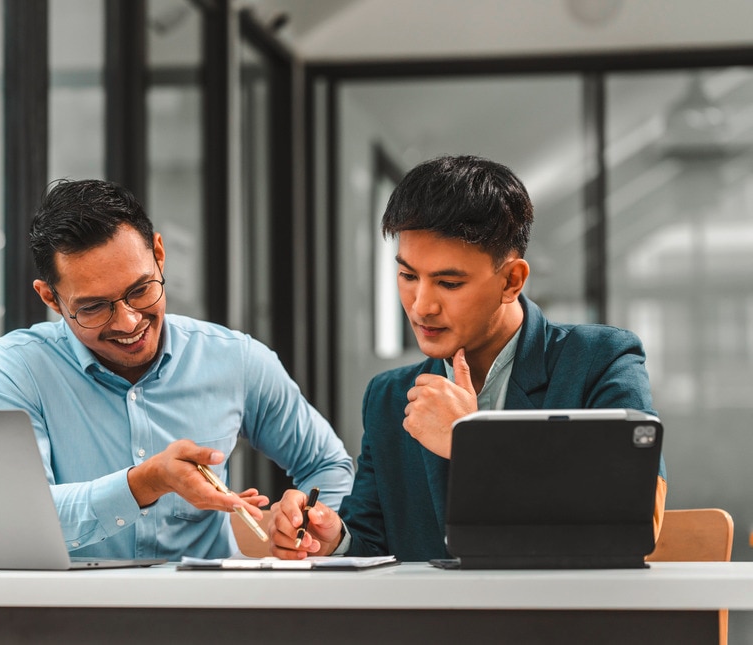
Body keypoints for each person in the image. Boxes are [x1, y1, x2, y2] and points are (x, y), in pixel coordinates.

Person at [269, 154, 667, 561]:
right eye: (408, 276)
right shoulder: (388, 397)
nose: (421, 306)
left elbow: (632, 520)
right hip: (430, 623)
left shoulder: (599, 361)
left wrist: (474, 444)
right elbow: (373, 546)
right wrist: (332, 538)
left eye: (448, 282)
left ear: (512, 280)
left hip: (561, 619)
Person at [0, 179, 354, 561]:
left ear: (159, 253)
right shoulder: (13, 370)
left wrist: (307, 524)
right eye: (94, 308)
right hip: (69, 616)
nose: (128, 322)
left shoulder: (235, 359)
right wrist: (146, 482)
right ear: (50, 297)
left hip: (210, 615)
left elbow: (327, 464)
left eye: (140, 290)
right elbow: (13, 515)